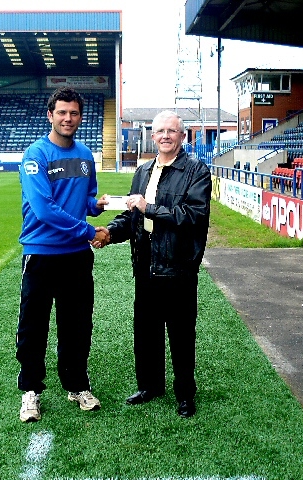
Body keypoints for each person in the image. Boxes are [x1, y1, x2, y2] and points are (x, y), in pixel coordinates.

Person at [97, 110, 212, 418]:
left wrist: (150, 208)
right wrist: (110, 231)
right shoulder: (144, 170)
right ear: (152, 135)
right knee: (146, 331)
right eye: (160, 130)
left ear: (182, 136)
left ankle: (185, 394)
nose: (165, 136)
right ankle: (150, 386)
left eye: (171, 131)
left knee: (181, 333)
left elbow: (193, 216)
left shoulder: (196, 171)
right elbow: (132, 215)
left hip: (178, 265)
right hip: (145, 261)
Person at [16, 87, 109, 422]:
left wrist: (95, 207)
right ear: (50, 115)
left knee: (77, 325)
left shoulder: (85, 155)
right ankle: (31, 391)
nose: (68, 118)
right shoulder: (35, 155)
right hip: (41, 253)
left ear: (80, 117)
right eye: (62, 113)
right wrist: (88, 231)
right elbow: (44, 209)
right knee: (33, 325)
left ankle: (77, 385)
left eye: (74, 113)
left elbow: (84, 201)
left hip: (76, 257)